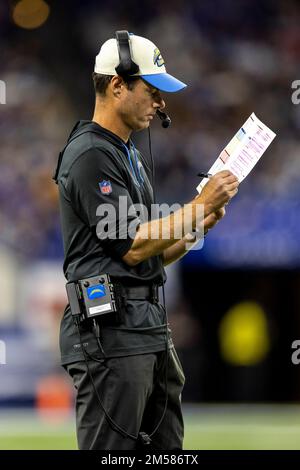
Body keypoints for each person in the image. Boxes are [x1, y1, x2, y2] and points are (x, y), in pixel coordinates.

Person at [54, 31, 239, 450]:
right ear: (117, 85)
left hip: (146, 326)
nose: (161, 104)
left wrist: (199, 226)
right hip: (110, 332)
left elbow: (146, 259)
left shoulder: (128, 154)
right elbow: (133, 243)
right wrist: (198, 205)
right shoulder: (90, 154)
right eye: (152, 91)